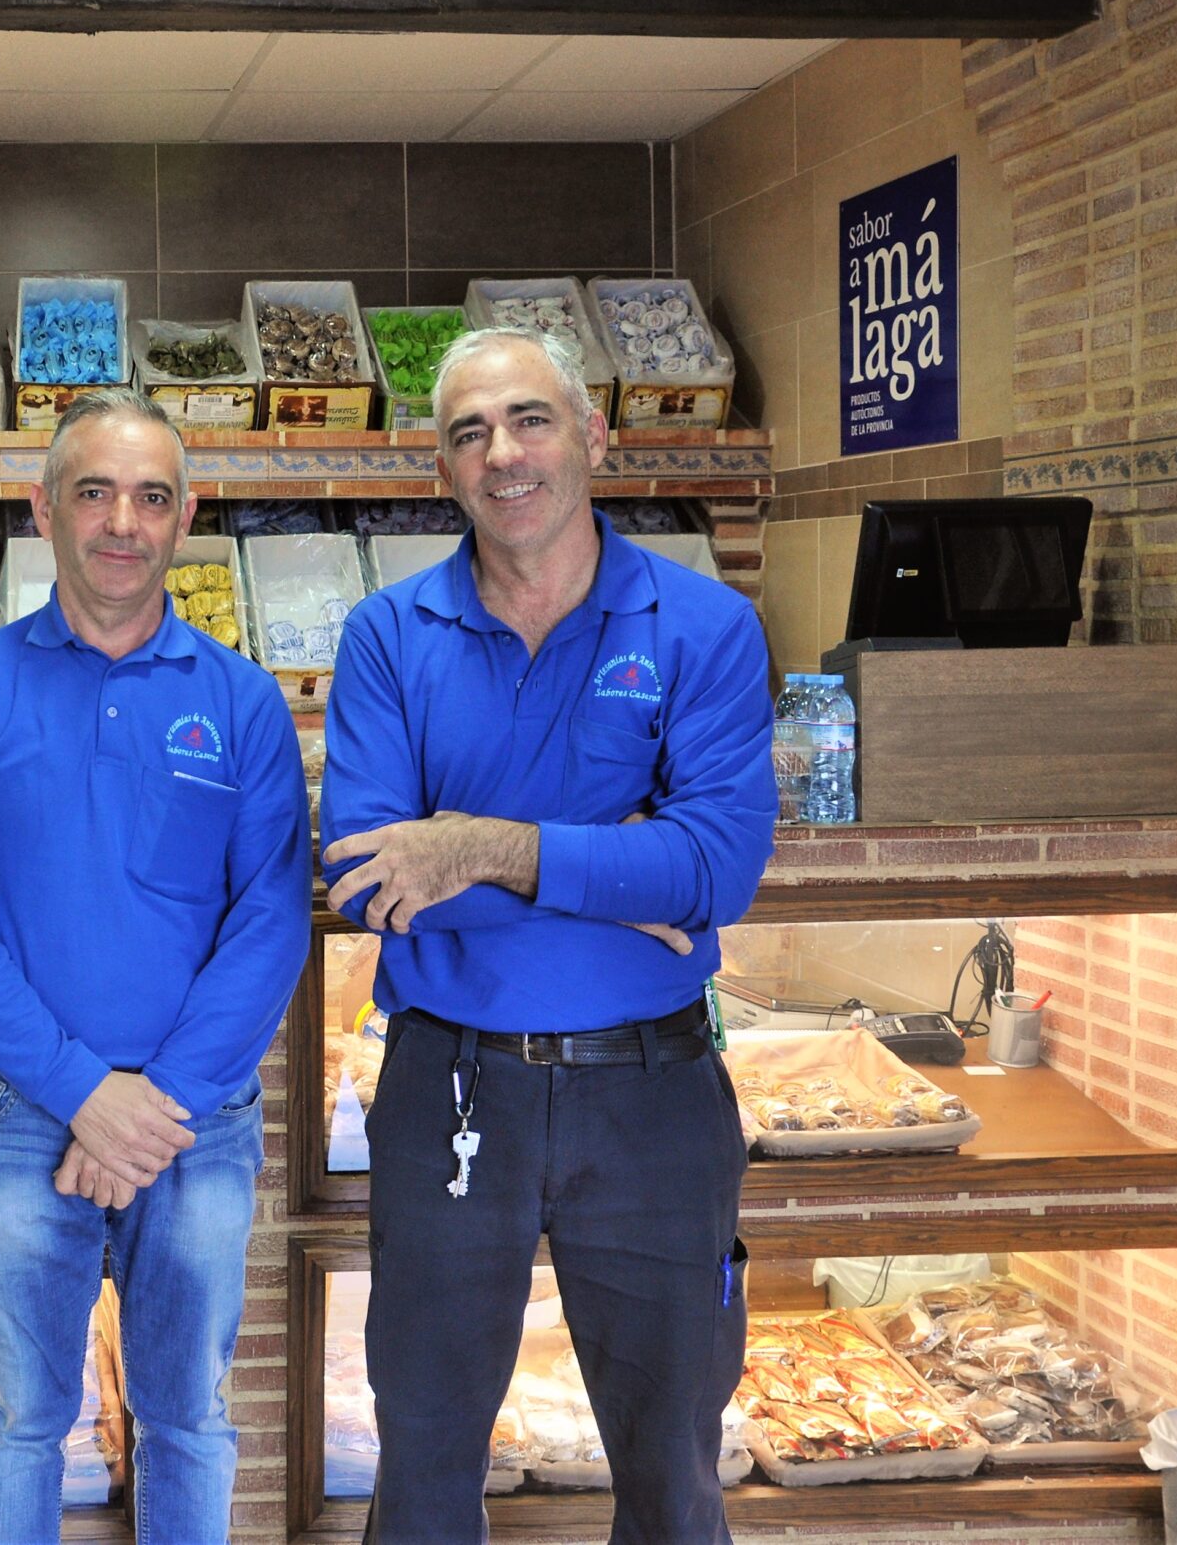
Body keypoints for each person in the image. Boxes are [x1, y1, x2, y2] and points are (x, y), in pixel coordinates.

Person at [320, 328, 776, 1545]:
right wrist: (614, 868)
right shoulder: (387, 636)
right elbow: (370, 877)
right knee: (420, 1458)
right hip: (447, 1088)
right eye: (468, 432)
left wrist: (474, 846)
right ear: (440, 469)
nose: (501, 453)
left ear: (594, 438)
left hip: (656, 1093)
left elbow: (715, 868)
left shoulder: (704, 628)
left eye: (530, 419)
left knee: (676, 1468)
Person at [0, 388, 311, 1545]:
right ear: (44, 511)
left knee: (187, 1414)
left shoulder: (240, 702)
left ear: (186, 519)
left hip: (196, 1117)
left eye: (150, 497)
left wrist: (158, 1101)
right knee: (23, 1412)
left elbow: (270, 921)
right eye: (94, 493)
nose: (121, 522)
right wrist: (86, 1091)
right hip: (23, 1111)